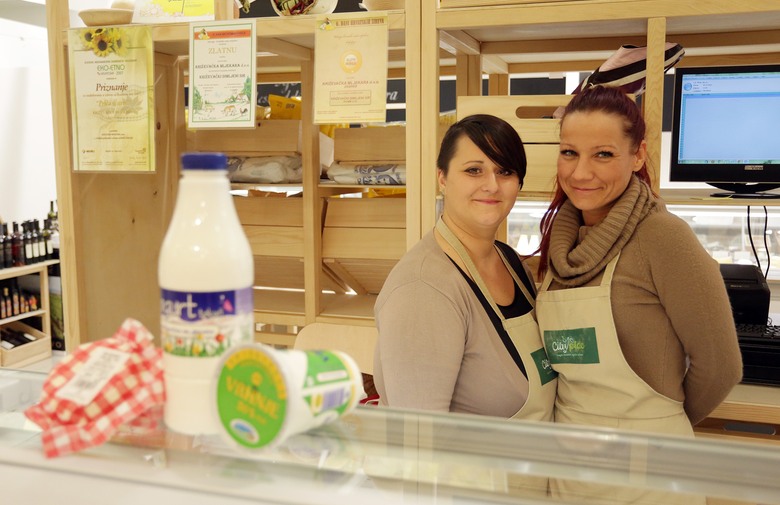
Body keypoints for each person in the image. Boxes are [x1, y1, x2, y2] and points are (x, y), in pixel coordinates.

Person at [535, 85, 742, 503]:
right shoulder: (559, 244)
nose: (580, 173)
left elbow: (721, 366)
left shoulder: (663, 238)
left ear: (638, 155)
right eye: (570, 152)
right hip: (570, 469)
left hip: (652, 473)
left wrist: (657, 426)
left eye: (603, 154)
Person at [373, 114, 557, 421]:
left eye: (505, 171)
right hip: (470, 469)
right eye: (474, 170)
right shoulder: (424, 289)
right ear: (442, 178)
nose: (492, 185)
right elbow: (420, 441)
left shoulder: (511, 263)